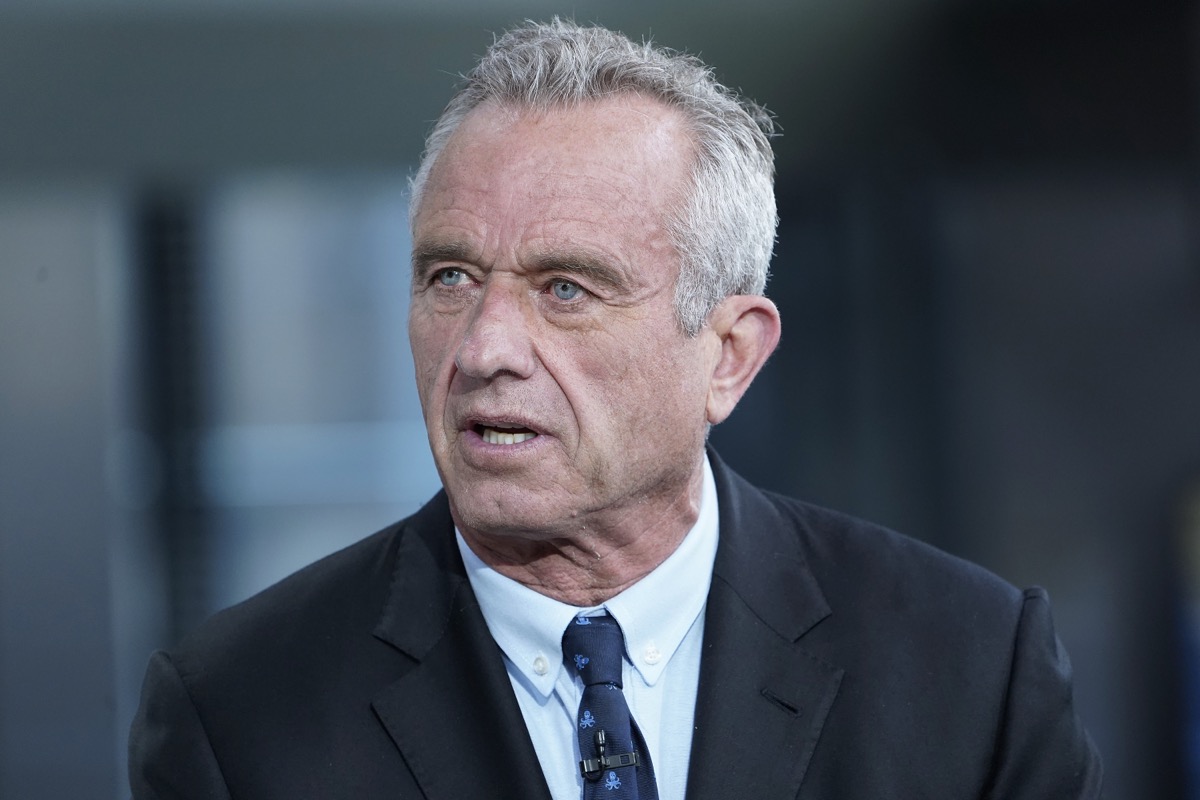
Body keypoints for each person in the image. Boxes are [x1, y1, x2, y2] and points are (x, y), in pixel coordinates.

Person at [129, 18, 1102, 800]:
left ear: (729, 354)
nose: (484, 350)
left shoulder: (968, 668)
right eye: (451, 275)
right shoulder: (239, 713)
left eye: (567, 289)